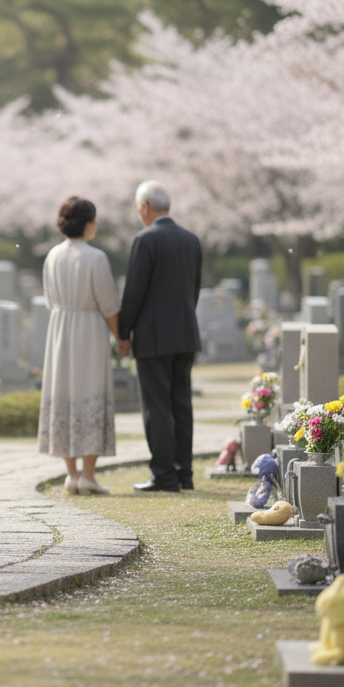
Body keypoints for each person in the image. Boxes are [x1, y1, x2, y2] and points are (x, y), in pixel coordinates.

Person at [117, 181, 202, 493]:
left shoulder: (145, 239)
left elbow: (134, 292)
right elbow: (194, 290)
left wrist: (123, 333)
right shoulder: (191, 239)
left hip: (153, 337)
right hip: (186, 333)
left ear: (144, 207)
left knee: (157, 406)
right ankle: (185, 473)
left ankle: (164, 475)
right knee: (181, 403)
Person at [38, 196, 121, 495]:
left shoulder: (52, 256)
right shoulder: (95, 257)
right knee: (91, 394)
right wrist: (121, 338)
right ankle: (88, 474)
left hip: (60, 330)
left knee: (64, 397)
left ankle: (71, 475)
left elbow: (50, 301)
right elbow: (109, 303)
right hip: (89, 331)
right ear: (87, 223)